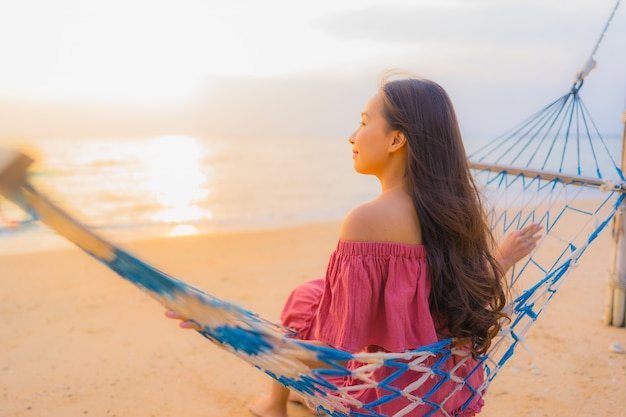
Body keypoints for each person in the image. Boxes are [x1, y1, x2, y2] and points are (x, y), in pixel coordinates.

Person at [166, 75, 542, 417]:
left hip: (387, 395)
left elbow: (336, 350)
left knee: (303, 301)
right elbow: (463, 295)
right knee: (315, 293)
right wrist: (503, 258)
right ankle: (284, 400)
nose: (352, 136)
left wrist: (227, 330)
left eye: (363, 122)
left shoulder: (367, 221)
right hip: (442, 386)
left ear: (396, 139)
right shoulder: (454, 210)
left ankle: (273, 405)